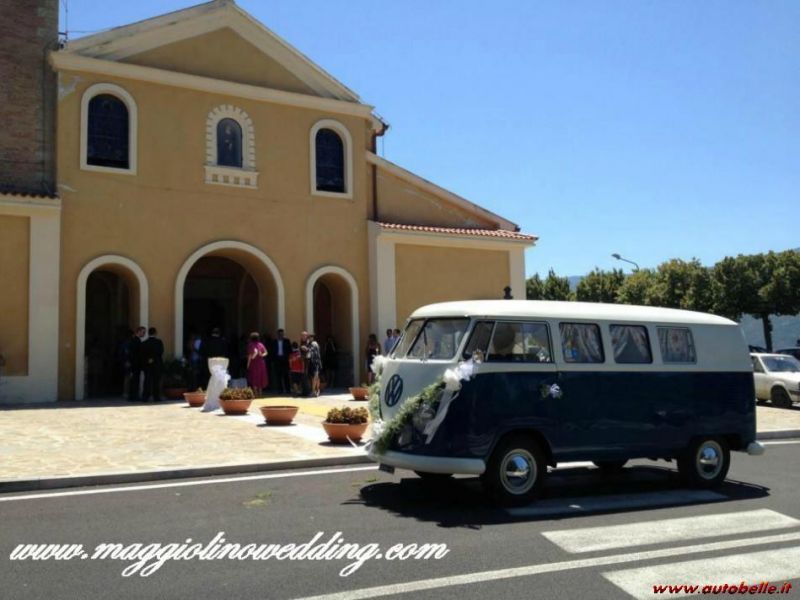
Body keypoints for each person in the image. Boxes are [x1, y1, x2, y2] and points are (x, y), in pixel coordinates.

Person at [140, 327, 164, 401]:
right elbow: (161, 352)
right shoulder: (159, 342)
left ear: (148, 333)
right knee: (156, 381)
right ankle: (156, 397)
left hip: (147, 364)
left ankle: (145, 397)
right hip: (157, 364)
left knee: (147, 380)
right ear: (155, 333)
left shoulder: (144, 343)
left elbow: (142, 355)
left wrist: (149, 359)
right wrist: (153, 358)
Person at [127, 326, 145, 401]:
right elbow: (135, 353)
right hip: (135, 364)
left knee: (134, 380)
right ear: (139, 332)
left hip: (134, 363)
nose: (144, 334)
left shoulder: (134, 340)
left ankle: (132, 396)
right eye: (143, 332)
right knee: (135, 380)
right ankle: (134, 396)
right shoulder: (136, 340)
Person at [272, 329, 292, 394]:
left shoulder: (287, 341)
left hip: (285, 360)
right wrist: (273, 360)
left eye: (282, 334)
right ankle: (280, 390)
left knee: (286, 376)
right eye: (280, 334)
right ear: (277, 334)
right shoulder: (274, 341)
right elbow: (272, 351)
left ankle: (288, 390)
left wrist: (288, 358)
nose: (281, 335)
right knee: (278, 376)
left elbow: (290, 350)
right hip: (277, 360)